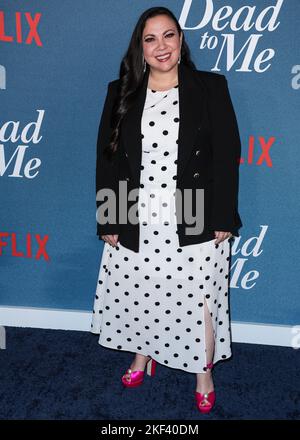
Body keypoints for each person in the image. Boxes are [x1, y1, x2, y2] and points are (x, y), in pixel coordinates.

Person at [90, 6, 243, 414]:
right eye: (150, 39)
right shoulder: (120, 91)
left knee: (199, 298)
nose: (161, 46)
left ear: (181, 41)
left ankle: (203, 374)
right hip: (136, 210)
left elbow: (227, 155)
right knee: (140, 291)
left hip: (194, 209)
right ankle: (144, 355)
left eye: (169, 35)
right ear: (140, 48)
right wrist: (110, 216)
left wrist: (223, 216)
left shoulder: (210, 88)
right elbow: (108, 160)